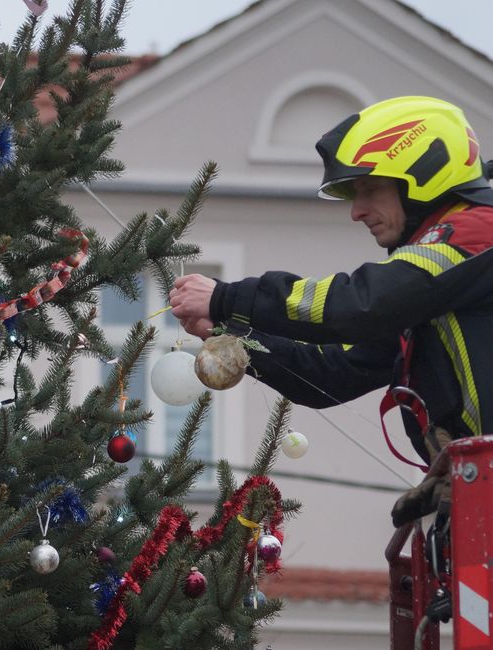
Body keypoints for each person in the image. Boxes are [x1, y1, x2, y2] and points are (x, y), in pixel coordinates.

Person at [170, 96, 493, 494]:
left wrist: (227, 297)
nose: (357, 211)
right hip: (472, 497)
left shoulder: (478, 231)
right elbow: (331, 371)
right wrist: (228, 333)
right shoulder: (429, 293)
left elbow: (362, 303)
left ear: (425, 175)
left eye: (370, 189)